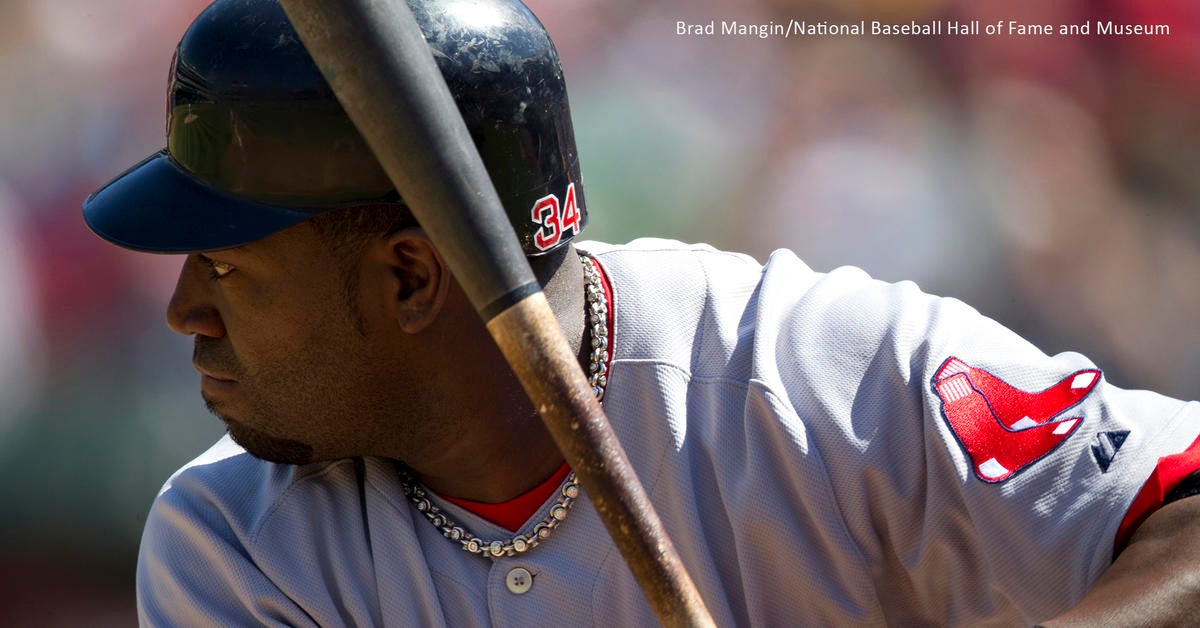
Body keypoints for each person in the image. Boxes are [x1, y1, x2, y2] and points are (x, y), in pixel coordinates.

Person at [83, 0, 1200, 625]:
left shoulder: (817, 374)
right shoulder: (230, 548)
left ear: (413, 279)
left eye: (226, 271)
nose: (183, 313)